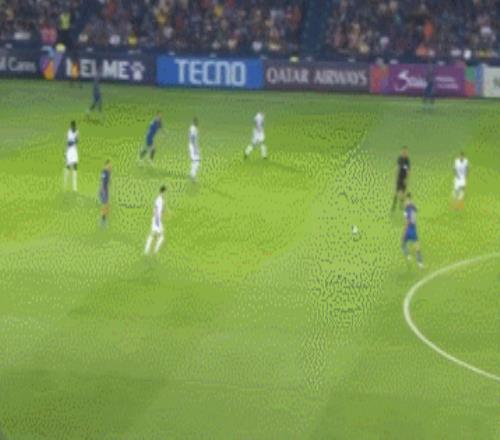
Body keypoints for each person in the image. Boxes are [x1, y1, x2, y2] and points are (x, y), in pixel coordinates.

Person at [402, 193, 424, 269]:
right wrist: (412, 204)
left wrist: (404, 231)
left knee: (403, 243)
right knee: (417, 247)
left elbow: (406, 221)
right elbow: (417, 209)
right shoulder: (413, 207)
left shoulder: (406, 210)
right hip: (414, 229)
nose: (405, 202)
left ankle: (408, 256)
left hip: (409, 229)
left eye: (406, 201)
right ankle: (420, 263)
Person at [144, 185, 166, 255]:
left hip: (158, 220)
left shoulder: (161, 200)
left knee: (158, 235)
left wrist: (163, 213)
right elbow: (155, 209)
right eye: (164, 193)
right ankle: (151, 250)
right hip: (156, 220)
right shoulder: (159, 199)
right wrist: (157, 220)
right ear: (162, 192)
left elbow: (161, 210)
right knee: (157, 235)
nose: (165, 194)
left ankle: (150, 250)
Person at [392, 146, 410, 211]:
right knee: (396, 192)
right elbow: (397, 168)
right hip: (399, 178)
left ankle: (401, 206)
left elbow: (408, 170)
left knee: (403, 193)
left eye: (406, 151)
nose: (405, 152)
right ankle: (394, 206)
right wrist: (396, 177)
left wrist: (406, 179)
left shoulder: (407, 160)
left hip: (404, 178)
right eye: (404, 151)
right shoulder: (400, 159)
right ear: (402, 151)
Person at [64, 120, 79, 191]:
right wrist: (74, 141)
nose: (73, 127)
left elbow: (77, 141)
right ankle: (65, 184)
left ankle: (74, 187)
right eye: (72, 126)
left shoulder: (77, 132)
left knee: (75, 167)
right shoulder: (69, 132)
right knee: (68, 167)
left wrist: (73, 141)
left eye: (74, 126)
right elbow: (69, 143)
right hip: (69, 151)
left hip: (74, 151)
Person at [99, 160, 112, 227]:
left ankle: (103, 220)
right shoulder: (104, 172)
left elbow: (109, 182)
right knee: (105, 206)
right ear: (106, 165)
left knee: (107, 207)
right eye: (109, 165)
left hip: (106, 190)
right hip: (103, 190)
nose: (110, 166)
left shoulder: (108, 172)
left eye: (111, 166)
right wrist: (102, 191)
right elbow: (102, 181)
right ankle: (103, 222)